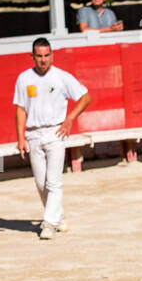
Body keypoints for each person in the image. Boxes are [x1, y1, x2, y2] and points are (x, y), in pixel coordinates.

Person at [13, 38, 91, 239]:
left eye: (46, 55)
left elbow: (85, 97)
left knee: (53, 181)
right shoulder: (24, 78)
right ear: (32, 57)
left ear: (52, 55)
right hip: (33, 134)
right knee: (41, 183)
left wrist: (70, 119)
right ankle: (58, 216)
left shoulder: (61, 77)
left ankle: (48, 224)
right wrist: (20, 137)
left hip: (56, 132)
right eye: (39, 56)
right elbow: (20, 109)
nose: (43, 60)